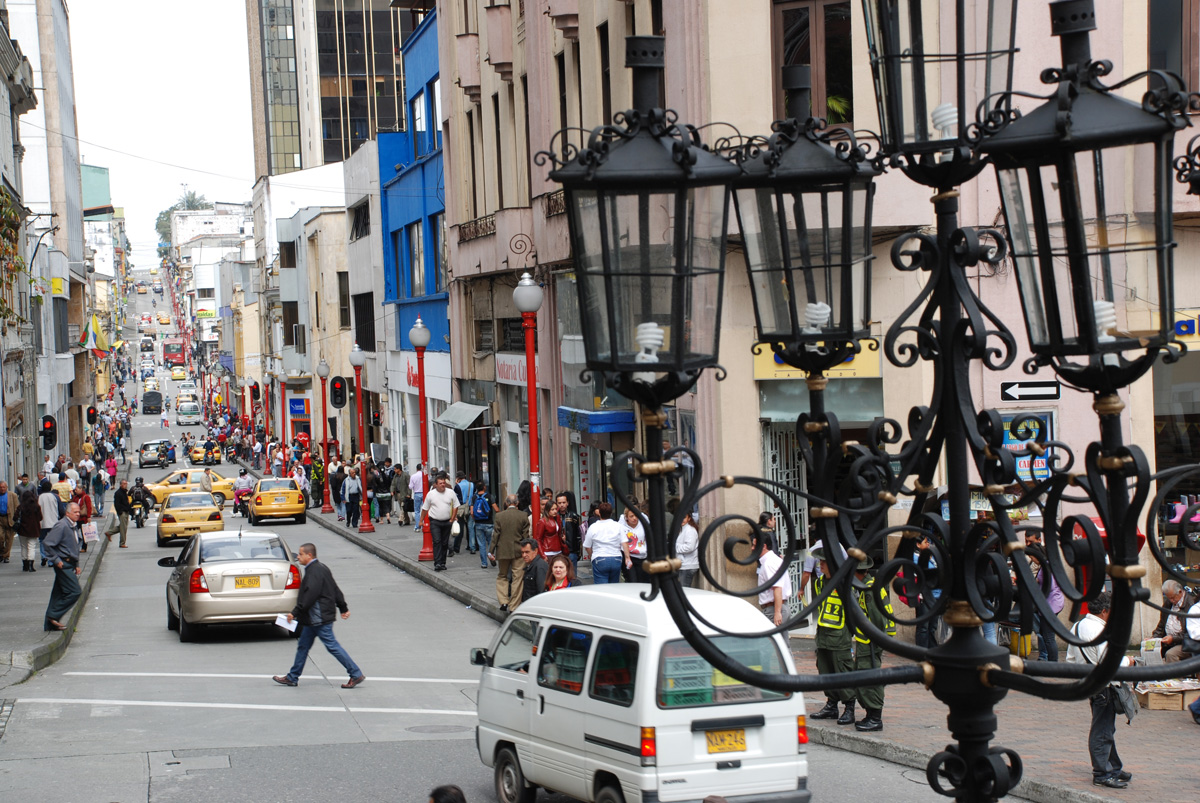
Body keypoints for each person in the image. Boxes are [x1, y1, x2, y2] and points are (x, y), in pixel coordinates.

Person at [273, 542, 365, 689]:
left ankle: (355, 673)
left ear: (309, 555)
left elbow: (309, 596)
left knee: (332, 646)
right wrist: (343, 607)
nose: (298, 557)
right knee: (303, 646)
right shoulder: (322, 568)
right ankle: (292, 677)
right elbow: (335, 589)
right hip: (314, 619)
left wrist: (295, 613)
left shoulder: (313, 572)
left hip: (318, 618)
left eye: (301, 554)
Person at [1066, 591, 1133, 789]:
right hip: (1103, 685)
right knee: (1102, 730)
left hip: (1092, 684)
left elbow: (1070, 659)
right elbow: (1109, 661)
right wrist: (1128, 660)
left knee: (1106, 728)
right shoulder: (1098, 629)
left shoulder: (1078, 626)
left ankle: (1113, 767)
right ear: (1104, 611)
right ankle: (1102, 773)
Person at [809, 547, 856, 724]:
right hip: (823, 636)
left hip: (839, 636)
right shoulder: (820, 582)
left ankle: (849, 707)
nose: (820, 565)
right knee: (825, 672)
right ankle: (831, 705)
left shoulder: (844, 584)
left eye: (824, 562)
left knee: (843, 671)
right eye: (820, 562)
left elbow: (853, 611)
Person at [852, 555, 895, 732]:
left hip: (870, 643)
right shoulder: (866, 586)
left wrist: (874, 641)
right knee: (864, 678)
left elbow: (877, 621)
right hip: (867, 643)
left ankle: (875, 717)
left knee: (870, 679)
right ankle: (871, 714)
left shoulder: (869, 590)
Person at [43, 501, 83, 631]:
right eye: (75, 512)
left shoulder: (73, 525)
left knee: (58, 593)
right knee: (75, 591)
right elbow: (47, 543)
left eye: (78, 512)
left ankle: (50, 625)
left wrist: (76, 564)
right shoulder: (62, 525)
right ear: (67, 513)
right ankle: (53, 615)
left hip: (70, 562)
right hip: (63, 564)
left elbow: (75, 546)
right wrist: (56, 560)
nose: (78, 514)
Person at [490, 495, 530, 611]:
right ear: (517, 503)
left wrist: (491, 551)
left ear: (506, 503)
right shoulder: (523, 515)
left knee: (502, 576)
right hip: (518, 550)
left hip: (503, 551)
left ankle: (503, 602)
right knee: (517, 577)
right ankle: (514, 605)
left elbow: (495, 535)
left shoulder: (499, 516)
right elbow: (525, 536)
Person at [420, 473, 458, 571]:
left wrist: (452, 519)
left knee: (444, 543)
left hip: (447, 521)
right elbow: (425, 508)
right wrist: (421, 521)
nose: (442, 485)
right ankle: (437, 563)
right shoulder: (431, 494)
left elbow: (456, 506)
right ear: (435, 485)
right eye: (440, 483)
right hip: (435, 521)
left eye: (443, 483)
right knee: (437, 541)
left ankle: (442, 562)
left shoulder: (450, 493)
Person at [583, 503, 628, 585]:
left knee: (601, 588)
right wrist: (627, 558)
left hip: (599, 558)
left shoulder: (593, 527)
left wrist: (592, 555)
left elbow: (587, 546)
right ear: (611, 513)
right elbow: (624, 542)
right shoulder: (618, 525)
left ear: (599, 513)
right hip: (616, 558)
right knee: (614, 586)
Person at [1153, 579, 1197, 663]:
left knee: (1171, 654)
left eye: (1173, 597)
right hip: (1169, 640)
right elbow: (1161, 625)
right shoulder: (1168, 604)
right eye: (1169, 598)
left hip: (1186, 642)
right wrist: (1153, 638)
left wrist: (1173, 639)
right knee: (1148, 650)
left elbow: (1190, 633)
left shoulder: (1191, 604)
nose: (1171, 601)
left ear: (1180, 592)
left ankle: (1175, 676)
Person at [756, 533, 789, 625]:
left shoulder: (769, 563)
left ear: (763, 546)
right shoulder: (773, 560)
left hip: (773, 609)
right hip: (777, 608)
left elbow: (777, 587)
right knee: (781, 639)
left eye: (754, 545)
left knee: (768, 639)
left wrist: (777, 613)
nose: (752, 549)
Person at [469, 481, 497, 569]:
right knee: (490, 542)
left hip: (478, 524)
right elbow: (496, 509)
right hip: (489, 523)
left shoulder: (474, 497)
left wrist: (475, 519)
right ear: (484, 487)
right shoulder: (489, 496)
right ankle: (491, 556)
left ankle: (484, 563)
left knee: (481, 544)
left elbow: (472, 512)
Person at [620, 504, 648, 582]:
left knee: (643, 581)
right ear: (626, 517)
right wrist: (626, 557)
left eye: (636, 515)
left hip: (643, 556)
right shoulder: (622, 526)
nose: (634, 518)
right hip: (629, 557)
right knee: (632, 581)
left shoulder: (643, 524)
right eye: (631, 516)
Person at [519, 538, 549, 609]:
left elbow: (541, 590)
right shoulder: (531, 565)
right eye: (522, 552)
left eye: (527, 552)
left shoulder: (540, 567)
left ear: (535, 551)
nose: (524, 555)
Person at [16, 489, 41, 571]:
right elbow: (40, 518)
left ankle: (25, 565)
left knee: (23, 547)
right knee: (31, 547)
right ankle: (31, 565)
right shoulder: (36, 507)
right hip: (34, 530)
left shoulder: (20, 507)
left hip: (22, 529)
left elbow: (15, 517)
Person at [555, 492, 582, 568]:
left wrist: (579, 552)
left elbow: (579, 535)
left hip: (571, 550)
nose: (562, 505)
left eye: (564, 502)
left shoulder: (574, 516)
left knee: (572, 576)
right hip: (558, 550)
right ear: (556, 504)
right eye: (559, 503)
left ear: (567, 503)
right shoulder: (554, 516)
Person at [37, 479, 60, 567]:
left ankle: (43, 556)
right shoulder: (55, 497)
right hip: (53, 522)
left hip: (42, 522)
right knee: (52, 541)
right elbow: (60, 509)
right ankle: (51, 560)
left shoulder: (39, 497)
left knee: (42, 540)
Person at [677, 509, 700, 588]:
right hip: (684, 564)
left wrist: (676, 547)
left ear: (689, 518)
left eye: (684, 517)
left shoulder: (690, 530)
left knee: (685, 590)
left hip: (688, 565)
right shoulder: (682, 529)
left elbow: (690, 547)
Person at [106, 479, 133, 548]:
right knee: (123, 528)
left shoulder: (125, 492)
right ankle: (122, 543)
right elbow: (116, 504)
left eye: (126, 484)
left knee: (122, 526)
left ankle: (109, 532)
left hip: (126, 511)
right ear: (121, 484)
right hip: (122, 512)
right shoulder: (118, 493)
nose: (125, 485)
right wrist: (120, 511)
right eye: (124, 484)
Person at [72, 484, 95, 553]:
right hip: (76, 518)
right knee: (74, 532)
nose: (75, 491)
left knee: (84, 533)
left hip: (83, 518)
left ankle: (84, 547)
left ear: (81, 489)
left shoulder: (86, 497)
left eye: (77, 489)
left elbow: (89, 507)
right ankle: (75, 546)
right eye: (75, 489)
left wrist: (88, 517)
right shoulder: (75, 498)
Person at [0, 480, 18, 564]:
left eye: (3, 487)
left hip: (9, 518)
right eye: (0, 487)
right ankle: (2, 553)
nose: (2, 489)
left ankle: (6, 556)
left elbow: (17, 508)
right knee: (0, 537)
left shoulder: (12, 495)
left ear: (6, 487)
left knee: (9, 539)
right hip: (0, 518)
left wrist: (16, 519)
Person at [409, 463, 425, 532]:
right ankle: (424, 524)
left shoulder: (413, 476)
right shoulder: (425, 475)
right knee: (424, 510)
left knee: (417, 511)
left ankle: (418, 526)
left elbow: (410, 486)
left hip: (417, 493)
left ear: (417, 469)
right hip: (424, 493)